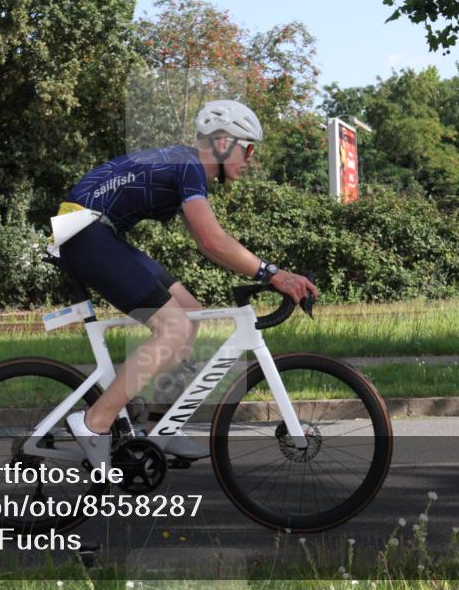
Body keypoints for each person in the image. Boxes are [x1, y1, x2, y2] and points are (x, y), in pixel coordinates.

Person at [56, 100, 318, 469]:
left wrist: (264, 272)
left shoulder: (184, 166)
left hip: (96, 232)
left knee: (190, 313)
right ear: (224, 142)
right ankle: (94, 423)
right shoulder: (189, 165)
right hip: (85, 234)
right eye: (248, 149)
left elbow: (207, 243)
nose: (251, 159)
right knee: (174, 327)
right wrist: (275, 274)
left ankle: (160, 426)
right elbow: (212, 239)